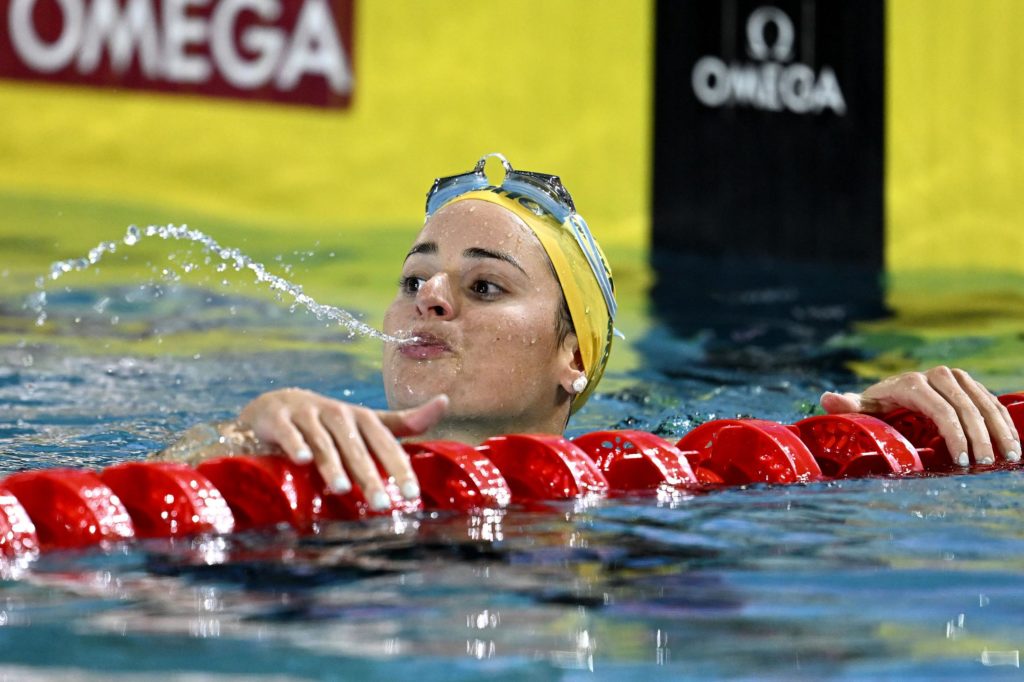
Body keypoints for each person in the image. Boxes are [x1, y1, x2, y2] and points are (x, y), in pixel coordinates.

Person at [157, 153, 1022, 511]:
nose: (428, 299)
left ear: (574, 360)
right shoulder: (306, 477)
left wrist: (874, 435)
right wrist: (229, 440)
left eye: (484, 285)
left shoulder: (652, 506)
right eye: (414, 279)